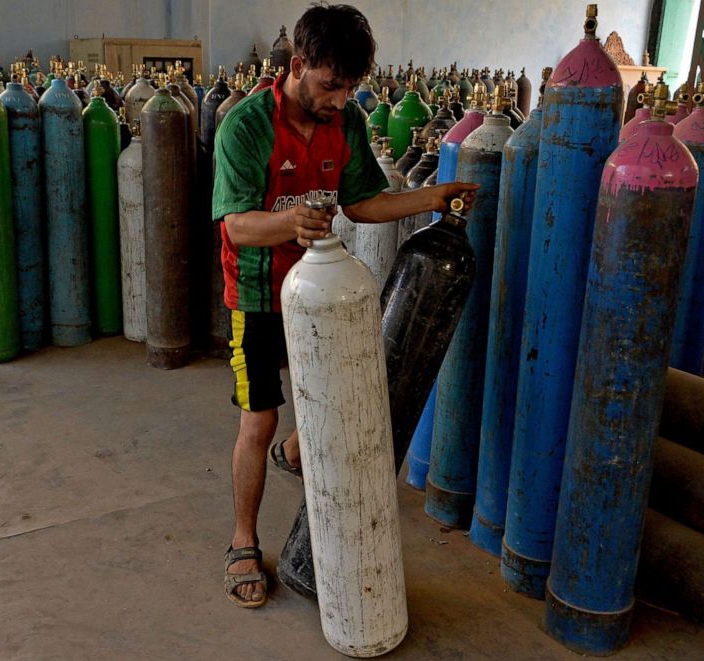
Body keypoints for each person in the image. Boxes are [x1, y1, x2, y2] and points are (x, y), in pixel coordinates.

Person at [212, 2, 478, 608]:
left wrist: (431, 196)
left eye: (351, 88)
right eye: (332, 86)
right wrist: (288, 221)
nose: (340, 100)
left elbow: (362, 205)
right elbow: (234, 228)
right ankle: (243, 541)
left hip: (322, 294)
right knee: (260, 419)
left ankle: (295, 454)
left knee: (330, 401)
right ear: (298, 64)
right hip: (257, 295)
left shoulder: (347, 123)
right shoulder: (247, 125)